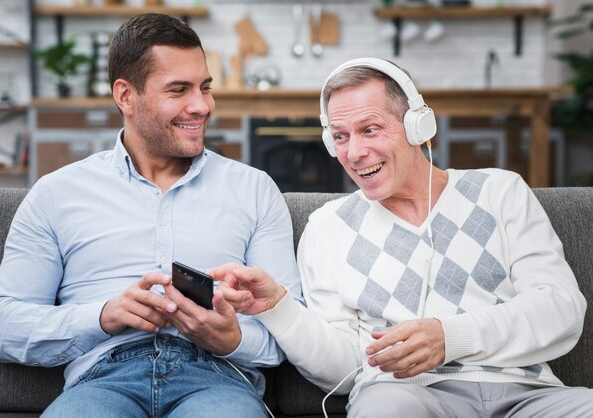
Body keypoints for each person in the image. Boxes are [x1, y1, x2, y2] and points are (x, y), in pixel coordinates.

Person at [211, 57, 593, 417]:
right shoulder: (329, 226)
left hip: (529, 394)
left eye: (370, 129)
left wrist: (450, 336)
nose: (355, 152)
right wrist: (277, 307)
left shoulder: (499, 191)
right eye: (340, 136)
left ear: (417, 126)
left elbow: (560, 309)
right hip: (403, 394)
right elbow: (341, 370)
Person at [0, 13, 302, 418]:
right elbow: (2, 327)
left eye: (205, 87)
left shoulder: (254, 190)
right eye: (179, 90)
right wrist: (102, 316)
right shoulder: (56, 194)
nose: (201, 106)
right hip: (102, 379)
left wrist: (233, 339)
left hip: (218, 377)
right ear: (125, 96)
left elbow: (296, 325)